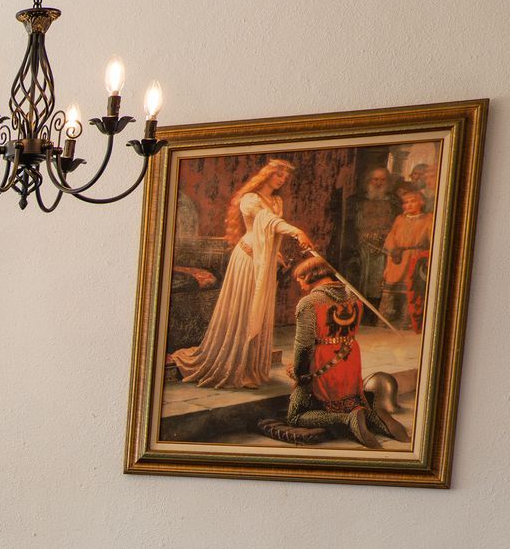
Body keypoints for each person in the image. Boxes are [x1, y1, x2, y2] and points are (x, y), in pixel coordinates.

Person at [169, 159, 315, 389]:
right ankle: (233, 365)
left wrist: (275, 255)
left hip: (263, 263)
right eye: (278, 175)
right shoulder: (250, 199)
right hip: (247, 260)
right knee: (244, 310)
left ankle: (249, 367)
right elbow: (269, 222)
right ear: (267, 175)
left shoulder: (277, 201)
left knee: (257, 312)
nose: (281, 180)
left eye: (284, 178)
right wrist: (297, 232)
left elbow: (270, 233)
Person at [274, 256, 407, 448]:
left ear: (310, 276)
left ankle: (346, 420)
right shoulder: (354, 297)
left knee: (295, 416)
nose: (300, 285)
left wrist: (297, 372)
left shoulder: (309, 302)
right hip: (350, 361)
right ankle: (373, 416)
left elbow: (304, 347)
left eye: (300, 280)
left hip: (321, 364)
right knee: (352, 399)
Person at [381, 186, 434, 332]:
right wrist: (387, 266)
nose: (409, 205)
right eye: (406, 202)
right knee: (391, 292)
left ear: (421, 202)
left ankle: (407, 323)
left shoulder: (429, 219)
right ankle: (385, 324)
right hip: (397, 260)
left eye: (413, 202)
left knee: (410, 290)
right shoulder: (399, 219)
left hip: (415, 259)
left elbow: (432, 241)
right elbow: (391, 239)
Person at [349, 166, 399, 304]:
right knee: (362, 280)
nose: (378, 183)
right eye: (375, 179)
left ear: (387, 182)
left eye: (382, 180)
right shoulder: (356, 201)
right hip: (362, 246)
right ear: (368, 181)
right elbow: (351, 225)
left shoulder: (395, 202)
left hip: (385, 247)